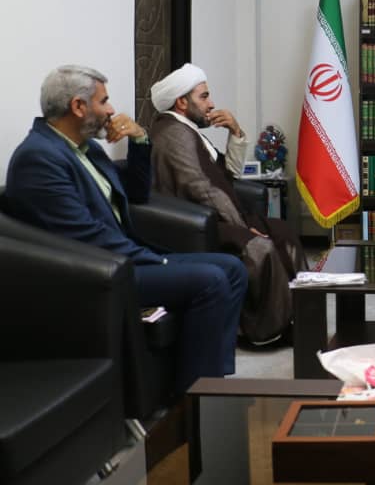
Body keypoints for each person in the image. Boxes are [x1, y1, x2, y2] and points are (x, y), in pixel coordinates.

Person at [5, 65, 247, 390]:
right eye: (104, 101)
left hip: (126, 257)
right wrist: (156, 260)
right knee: (211, 279)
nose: (111, 110)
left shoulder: (86, 148)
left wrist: (140, 138)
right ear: (78, 106)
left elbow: (135, 191)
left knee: (233, 268)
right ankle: (195, 397)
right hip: (99, 271)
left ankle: (214, 379)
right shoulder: (38, 158)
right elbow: (86, 237)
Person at [149, 63, 307, 346]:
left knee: (283, 232)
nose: (211, 104)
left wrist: (235, 131)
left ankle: (297, 316)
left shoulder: (186, 129)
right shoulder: (173, 134)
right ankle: (263, 331)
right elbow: (202, 188)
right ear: (182, 102)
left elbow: (228, 173)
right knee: (260, 247)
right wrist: (242, 227)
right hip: (196, 225)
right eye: (204, 96)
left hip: (218, 216)